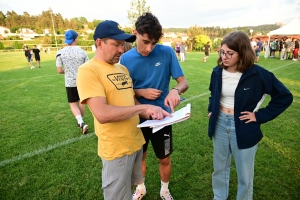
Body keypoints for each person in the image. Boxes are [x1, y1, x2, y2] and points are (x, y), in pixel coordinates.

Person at [76, 20, 171, 200]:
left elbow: (133, 104)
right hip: (116, 150)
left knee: (128, 190)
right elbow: (102, 114)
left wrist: (157, 113)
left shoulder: (122, 68)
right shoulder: (88, 70)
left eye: (122, 44)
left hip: (135, 143)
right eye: (115, 44)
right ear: (99, 43)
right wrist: (144, 106)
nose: (121, 49)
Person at [208, 31, 293, 200]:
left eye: (230, 53)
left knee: (244, 174)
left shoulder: (258, 74)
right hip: (219, 123)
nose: (224, 57)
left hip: (244, 126)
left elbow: (284, 96)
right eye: (222, 52)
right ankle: (219, 197)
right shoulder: (217, 72)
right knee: (219, 168)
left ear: (243, 52)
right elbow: (213, 93)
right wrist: (212, 109)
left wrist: (259, 116)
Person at [120, 12, 188, 200]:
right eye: (145, 41)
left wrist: (175, 90)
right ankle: (141, 188)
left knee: (164, 157)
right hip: (137, 118)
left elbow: (183, 82)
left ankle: (164, 190)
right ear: (135, 33)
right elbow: (124, 93)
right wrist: (140, 92)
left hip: (162, 118)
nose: (149, 48)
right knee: (139, 158)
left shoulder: (166, 52)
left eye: (153, 43)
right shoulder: (125, 59)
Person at [56, 30, 89, 134]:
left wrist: (68, 71)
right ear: (75, 39)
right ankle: (81, 121)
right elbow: (87, 67)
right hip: (81, 81)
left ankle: (81, 122)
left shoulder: (60, 52)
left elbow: (59, 70)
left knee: (72, 103)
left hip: (70, 82)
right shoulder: (82, 52)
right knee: (81, 102)